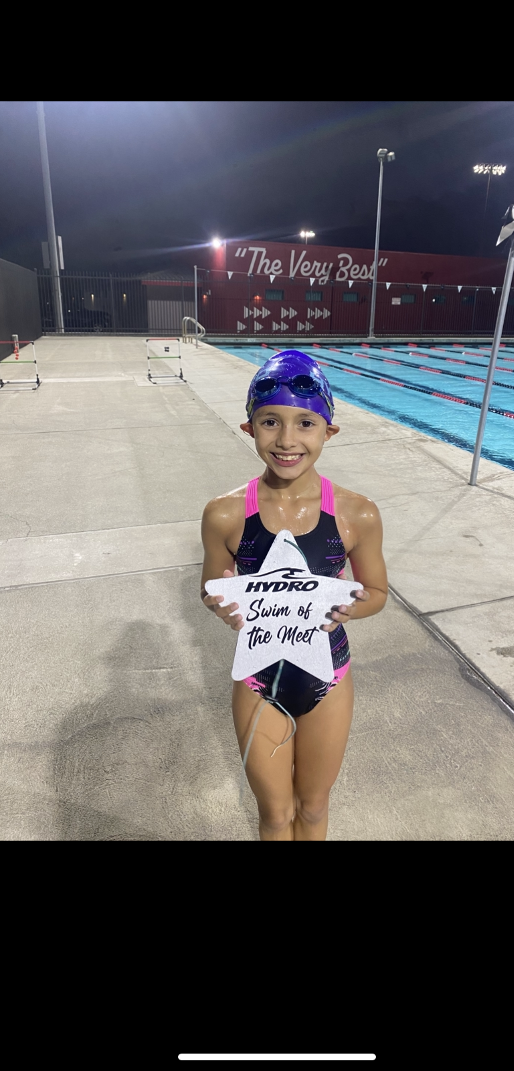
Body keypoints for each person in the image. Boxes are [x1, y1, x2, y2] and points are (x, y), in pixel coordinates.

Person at [201, 349, 388, 841]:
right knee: (276, 815)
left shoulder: (357, 513)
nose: (287, 440)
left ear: (328, 432)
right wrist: (221, 605)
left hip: (329, 675)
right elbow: (212, 586)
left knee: (312, 807)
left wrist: (352, 605)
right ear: (249, 428)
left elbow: (377, 592)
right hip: (257, 680)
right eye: (270, 422)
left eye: (305, 423)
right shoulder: (224, 514)